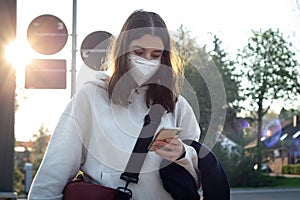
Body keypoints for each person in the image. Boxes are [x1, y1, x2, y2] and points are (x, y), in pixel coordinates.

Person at [28, 10, 201, 200]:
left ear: (164, 57)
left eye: (156, 54)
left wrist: (183, 154)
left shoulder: (176, 105)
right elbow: (55, 169)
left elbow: (198, 178)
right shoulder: (91, 96)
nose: (147, 60)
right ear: (123, 51)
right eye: (139, 52)